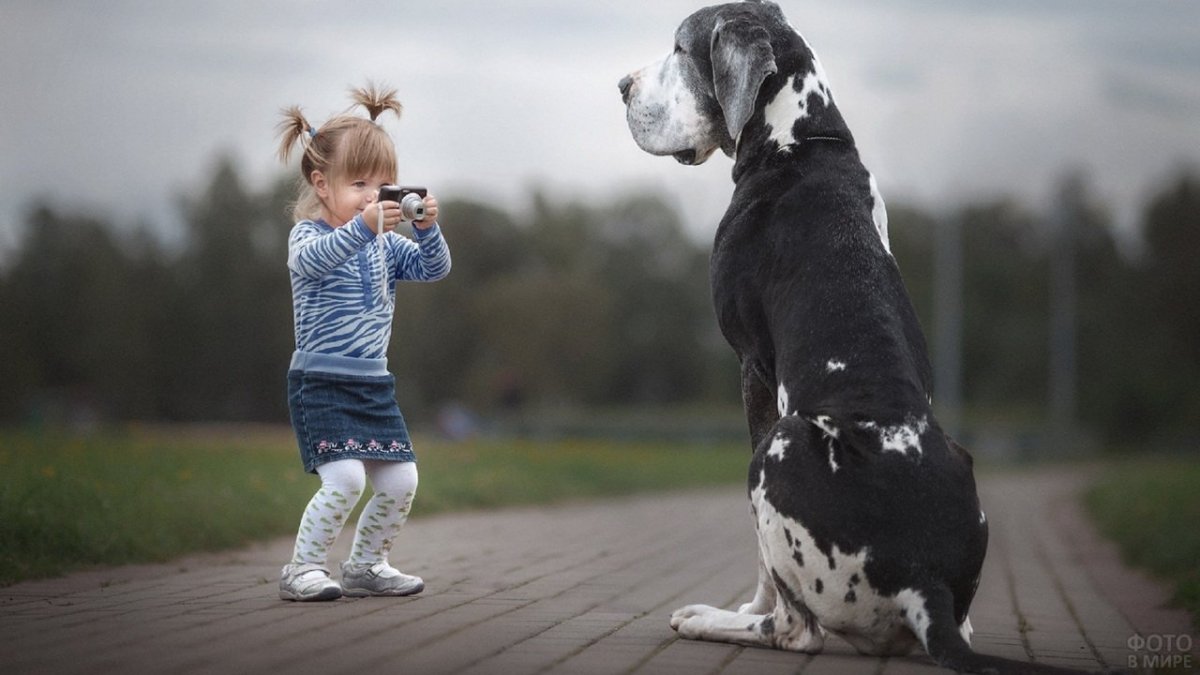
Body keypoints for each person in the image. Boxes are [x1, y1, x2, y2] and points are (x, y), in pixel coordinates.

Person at [274, 83, 451, 601]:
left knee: (401, 482)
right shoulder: (307, 236)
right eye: (359, 183)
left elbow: (434, 269)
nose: (374, 195)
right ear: (321, 183)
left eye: (386, 183)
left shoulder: (386, 244)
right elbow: (317, 261)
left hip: (373, 385)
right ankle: (302, 569)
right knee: (346, 479)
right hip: (321, 382)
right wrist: (367, 229)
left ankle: (367, 565)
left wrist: (428, 229)